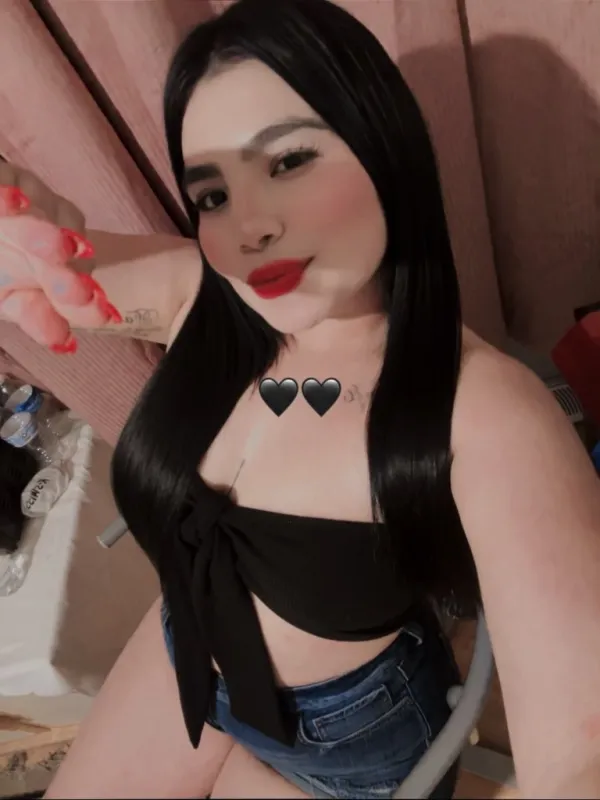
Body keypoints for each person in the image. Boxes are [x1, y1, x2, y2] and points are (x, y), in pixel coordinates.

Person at [1, 0, 600, 797]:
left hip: (344, 735)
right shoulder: (202, 296)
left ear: (384, 145)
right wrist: (17, 232)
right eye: (212, 195)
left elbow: (581, 750)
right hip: (190, 644)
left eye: (288, 161)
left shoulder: (488, 414)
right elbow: (54, 274)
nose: (247, 229)